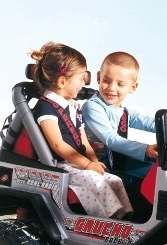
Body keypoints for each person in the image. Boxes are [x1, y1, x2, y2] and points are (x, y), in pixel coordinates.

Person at [29, 42, 133, 220]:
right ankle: (108, 221)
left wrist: (94, 162)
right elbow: (57, 144)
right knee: (97, 182)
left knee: (115, 180)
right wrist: (87, 165)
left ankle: (127, 218)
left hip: (77, 163)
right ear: (62, 81)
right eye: (81, 78)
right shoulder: (46, 107)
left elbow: (84, 141)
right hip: (60, 166)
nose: (84, 83)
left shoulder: (73, 107)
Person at [82, 51, 158, 187]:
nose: (111, 88)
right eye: (106, 81)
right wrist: (146, 149)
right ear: (98, 77)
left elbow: (151, 123)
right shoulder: (93, 107)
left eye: (120, 84)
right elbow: (111, 139)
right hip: (103, 166)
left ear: (133, 87)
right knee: (156, 176)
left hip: (119, 161)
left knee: (160, 167)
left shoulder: (123, 112)